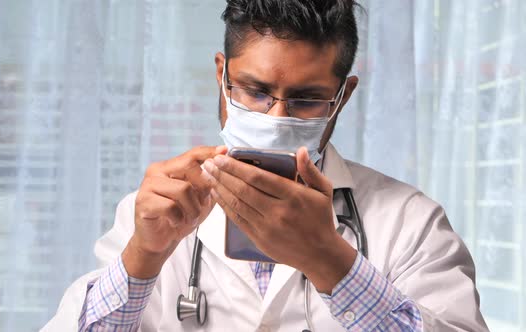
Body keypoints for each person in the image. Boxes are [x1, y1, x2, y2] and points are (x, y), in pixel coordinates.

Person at [43, 0, 489, 331]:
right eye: (254, 91)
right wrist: (143, 255)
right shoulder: (156, 213)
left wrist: (331, 262)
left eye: (307, 99)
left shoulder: (410, 223)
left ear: (342, 97)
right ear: (222, 77)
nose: (276, 119)